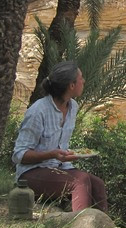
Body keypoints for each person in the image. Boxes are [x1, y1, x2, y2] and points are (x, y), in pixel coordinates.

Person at [12, 60, 107, 212]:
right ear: (71, 85)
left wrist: (64, 155)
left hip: (59, 168)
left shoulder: (73, 107)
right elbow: (19, 155)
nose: (84, 81)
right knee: (80, 181)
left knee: (97, 184)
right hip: (31, 173)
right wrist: (52, 155)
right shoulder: (38, 111)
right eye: (80, 78)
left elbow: (60, 149)